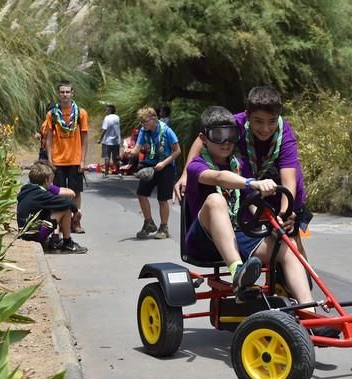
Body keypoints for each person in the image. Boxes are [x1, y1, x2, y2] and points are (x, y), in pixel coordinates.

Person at [185, 105, 334, 330]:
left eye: (231, 135)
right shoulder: (197, 165)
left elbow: (250, 203)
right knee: (216, 201)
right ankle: (238, 273)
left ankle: (309, 313)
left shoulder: (239, 165)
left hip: (237, 236)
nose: (226, 142)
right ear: (204, 139)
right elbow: (217, 177)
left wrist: (269, 221)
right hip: (204, 241)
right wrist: (248, 182)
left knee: (286, 244)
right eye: (218, 135)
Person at [174, 86, 311, 256]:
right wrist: (186, 174)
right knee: (258, 236)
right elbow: (204, 138)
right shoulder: (236, 123)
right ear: (247, 116)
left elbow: (289, 178)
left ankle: (301, 278)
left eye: (272, 121)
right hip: (251, 189)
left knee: (291, 243)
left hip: (281, 193)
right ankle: (241, 266)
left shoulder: (285, 134)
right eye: (258, 121)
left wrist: (286, 212)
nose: (266, 129)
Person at [128, 106, 180, 239]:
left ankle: (164, 227)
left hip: (165, 166)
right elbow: (137, 148)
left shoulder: (167, 131)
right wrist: (130, 151)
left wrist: (163, 163)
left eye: (145, 121)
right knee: (141, 194)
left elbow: (177, 151)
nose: (143, 124)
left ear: (154, 119)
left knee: (162, 199)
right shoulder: (144, 131)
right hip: (150, 165)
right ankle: (149, 223)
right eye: (141, 122)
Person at [44, 80, 88, 234]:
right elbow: (49, 138)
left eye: (67, 92)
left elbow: (84, 138)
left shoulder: (81, 113)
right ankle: (62, 223)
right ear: (58, 93)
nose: (65, 94)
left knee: (76, 192)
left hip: (75, 159)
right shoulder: (53, 114)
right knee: (59, 192)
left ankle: (75, 222)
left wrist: (82, 160)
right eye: (62, 92)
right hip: (58, 160)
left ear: (72, 93)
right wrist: (50, 160)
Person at [17, 162, 87, 254]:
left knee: (54, 206)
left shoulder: (27, 190)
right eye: (51, 181)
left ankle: (55, 239)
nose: (52, 183)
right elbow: (67, 203)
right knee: (66, 209)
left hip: (25, 233)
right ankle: (67, 243)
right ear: (46, 181)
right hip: (34, 235)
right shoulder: (40, 194)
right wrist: (76, 210)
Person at [98, 104, 122, 178]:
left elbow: (104, 129)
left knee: (107, 157)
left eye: (107, 110)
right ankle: (119, 173)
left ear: (110, 110)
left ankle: (106, 174)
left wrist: (100, 138)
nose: (106, 111)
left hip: (107, 141)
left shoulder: (107, 118)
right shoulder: (117, 117)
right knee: (116, 157)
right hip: (116, 141)